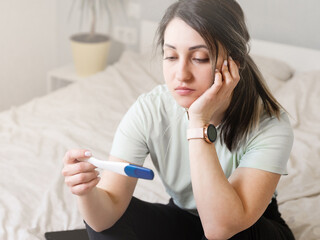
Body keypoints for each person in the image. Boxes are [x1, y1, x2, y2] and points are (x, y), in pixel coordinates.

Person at [62, 0, 295, 239]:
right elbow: (105, 218)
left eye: (200, 58)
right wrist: (86, 192)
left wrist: (198, 122)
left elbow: (219, 229)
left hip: (247, 229)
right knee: (114, 219)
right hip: (185, 219)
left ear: (233, 61)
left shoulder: (271, 125)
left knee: (229, 228)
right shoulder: (150, 110)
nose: (181, 75)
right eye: (171, 56)